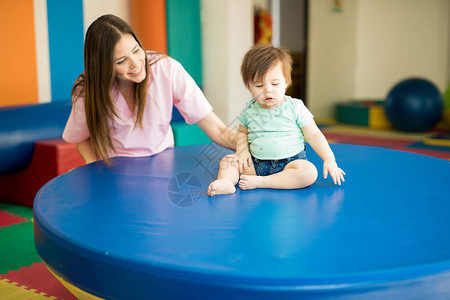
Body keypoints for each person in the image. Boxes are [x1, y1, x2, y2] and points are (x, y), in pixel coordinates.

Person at [63, 15, 235, 165]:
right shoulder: (88, 88)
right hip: (115, 170)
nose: (136, 64)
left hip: (163, 162)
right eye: (121, 61)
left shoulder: (166, 69)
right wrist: (94, 166)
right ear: (104, 67)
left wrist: (247, 143)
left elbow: (218, 129)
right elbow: (81, 138)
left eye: (137, 50)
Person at [208, 44, 345, 196]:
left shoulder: (295, 107)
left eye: (275, 84)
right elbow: (242, 132)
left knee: (309, 172)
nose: (268, 90)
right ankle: (227, 183)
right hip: (257, 164)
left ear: (286, 82)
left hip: (290, 165)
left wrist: (329, 158)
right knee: (228, 162)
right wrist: (242, 151)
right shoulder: (249, 108)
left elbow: (314, 134)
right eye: (259, 85)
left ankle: (261, 182)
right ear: (248, 86)